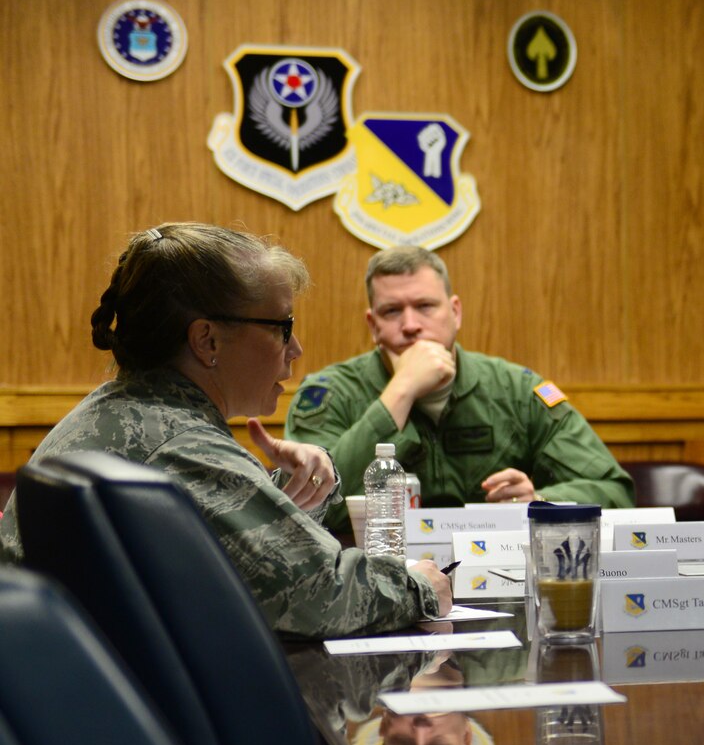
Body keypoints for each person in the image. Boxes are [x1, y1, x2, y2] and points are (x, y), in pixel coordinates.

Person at [0, 223, 447, 635]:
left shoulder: (123, 411)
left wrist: (279, 497)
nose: (295, 348)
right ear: (207, 340)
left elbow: (224, 560)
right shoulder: (181, 445)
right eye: (282, 326)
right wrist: (419, 585)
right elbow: (319, 596)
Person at [286, 245, 633, 532]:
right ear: (373, 325)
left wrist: (538, 501)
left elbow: (615, 491)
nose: (411, 326)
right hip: (373, 584)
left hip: (497, 579)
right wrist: (400, 392)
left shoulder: (516, 391)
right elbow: (307, 511)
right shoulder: (329, 395)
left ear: (455, 312)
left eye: (425, 306)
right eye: (392, 311)